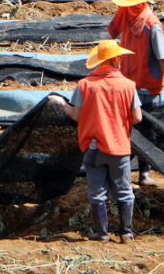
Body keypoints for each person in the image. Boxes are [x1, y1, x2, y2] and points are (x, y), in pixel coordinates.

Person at [49, 40, 143, 243]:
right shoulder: (128, 85)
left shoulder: (84, 85)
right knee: (124, 191)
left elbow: (75, 115)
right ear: (116, 59)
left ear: (100, 60)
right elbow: (137, 118)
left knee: (97, 192)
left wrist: (62, 103)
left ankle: (102, 233)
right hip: (119, 147)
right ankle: (126, 233)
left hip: (93, 147)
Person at [106, 0, 164, 186]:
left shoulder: (152, 26)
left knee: (147, 132)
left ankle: (144, 174)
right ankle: (122, 173)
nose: (119, 9)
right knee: (125, 130)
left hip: (148, 89)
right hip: (128, 86)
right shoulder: (129, 22)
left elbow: (162, 58)